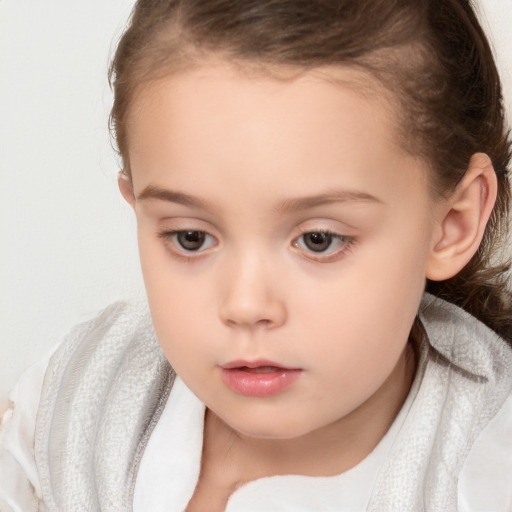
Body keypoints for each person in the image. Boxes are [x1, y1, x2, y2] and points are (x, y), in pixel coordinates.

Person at [1, 0, 511, 510]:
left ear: (452, 224)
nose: (245, 305)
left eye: (319, 240)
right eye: (190, 238)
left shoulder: (485, 476)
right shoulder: (70, 398)